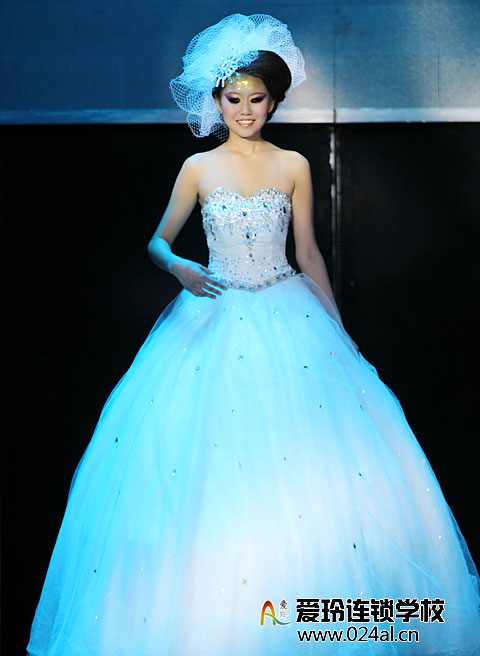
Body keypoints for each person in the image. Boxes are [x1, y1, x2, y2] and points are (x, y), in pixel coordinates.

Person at [26, 13, 480, 656]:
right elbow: (157, 241)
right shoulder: (198, 167)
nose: (244, 110)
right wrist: (179, 267)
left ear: (274, 101)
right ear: (216, 100)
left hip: (287, 310)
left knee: (319, 470)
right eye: (233, 98)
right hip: (211, 312)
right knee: (202, 466)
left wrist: (338, 330)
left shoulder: (293, 164)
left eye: (256, 99)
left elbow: (309, 253)